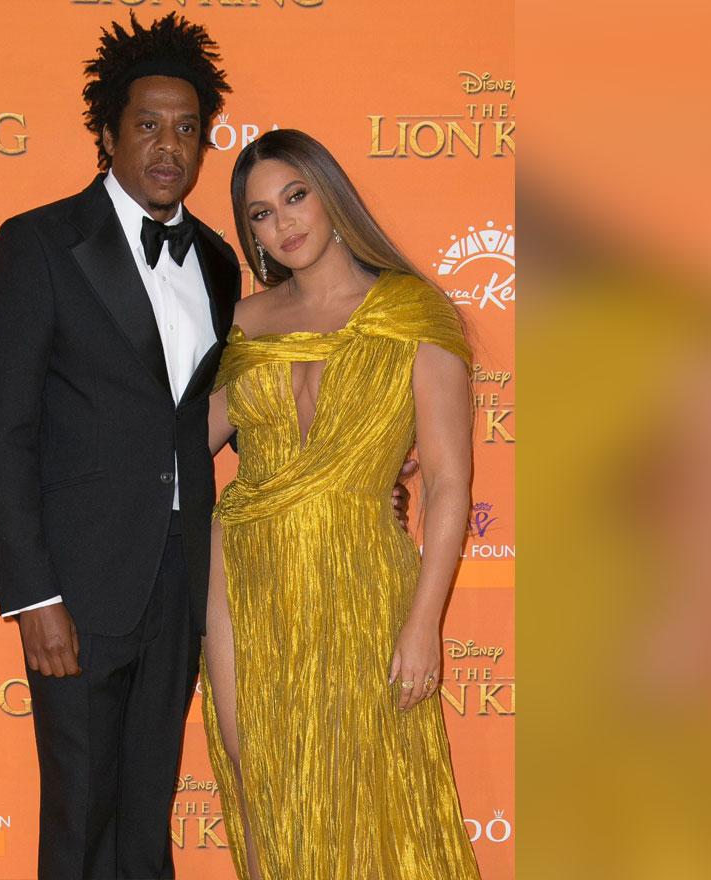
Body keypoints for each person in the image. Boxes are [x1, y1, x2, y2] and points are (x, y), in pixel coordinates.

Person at [0, 13, 238, 879]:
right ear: (108, 133)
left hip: (179, 576)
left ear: (206, 143)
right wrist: (33, 593)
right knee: (80, 812)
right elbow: (4, 431)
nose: (169, 146)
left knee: (147, 809)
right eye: (149, 125)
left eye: (187, 128)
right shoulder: (41, 242)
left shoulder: (220, 262)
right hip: (76, 585)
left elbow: (229, 411)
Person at [201, 129, 484, 879]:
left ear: (331, 196)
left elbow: (451, 483)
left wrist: (425, 624)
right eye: (260, 213)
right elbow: (180, 449)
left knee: (366, 788)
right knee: (260, 780)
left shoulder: (413, 313)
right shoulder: (242, 323)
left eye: (295, 196)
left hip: (363, 579)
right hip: (239, 578)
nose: (283, 222)